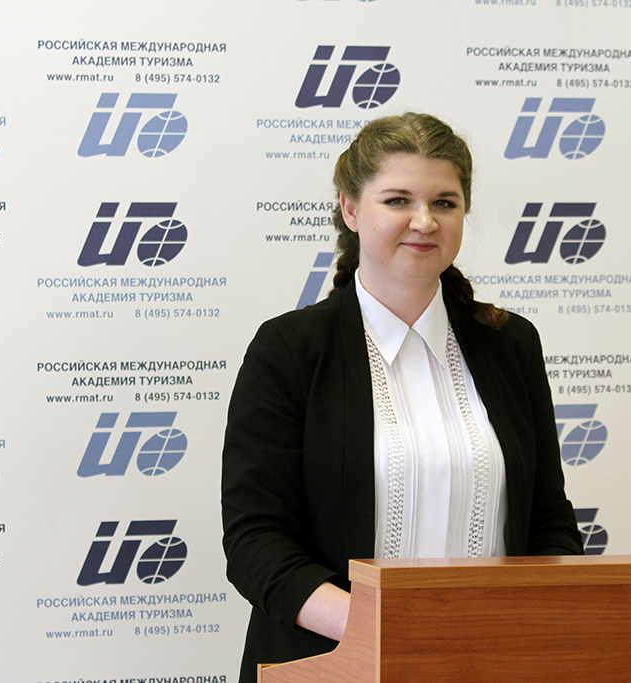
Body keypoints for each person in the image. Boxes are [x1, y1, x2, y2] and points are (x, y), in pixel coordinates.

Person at [221, 112, 583, 683]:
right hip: (331, 664)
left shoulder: (510, 344)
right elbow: (256, 543)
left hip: (491, 663)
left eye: (445, 202)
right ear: (350, 209)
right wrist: (392, 630)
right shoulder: (289, 349)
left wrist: (526, 625)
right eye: (397, 200)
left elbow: (549, 522)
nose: (424, 221)